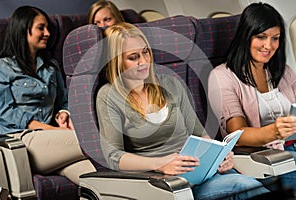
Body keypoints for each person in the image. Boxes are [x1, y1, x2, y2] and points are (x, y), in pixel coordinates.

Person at [96, 22, 269, 199]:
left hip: (201, 171)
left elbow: (199, 134)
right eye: (133, 57)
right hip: (168, 184)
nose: (143, 61)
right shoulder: (109, 96)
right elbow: (113, 156)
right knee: (243, 186)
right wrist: (160, 164)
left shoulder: (170, 84)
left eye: (145, 52)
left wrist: (219, 156)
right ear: (116, 61)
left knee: (247, 184)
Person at [0, 6, 95, 185]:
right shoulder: (1, 67)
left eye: (47, 28)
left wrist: (63, 113)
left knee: (97, 180)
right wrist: (53, 130)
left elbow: (63, 101)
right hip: (21, 141)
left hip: (53, 145)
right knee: (94, 139)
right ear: (23, 29)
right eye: (41, 28)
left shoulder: (51, 66)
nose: (47, 33)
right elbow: (5, 112)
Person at [208, 2, 296, 191]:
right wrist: (275, 131)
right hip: (261, 159)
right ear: (246, 37)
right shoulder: (222, 76)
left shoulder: (284, 73)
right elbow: (236, 135)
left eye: (275, 38)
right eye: (261, 37)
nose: (268, 46)